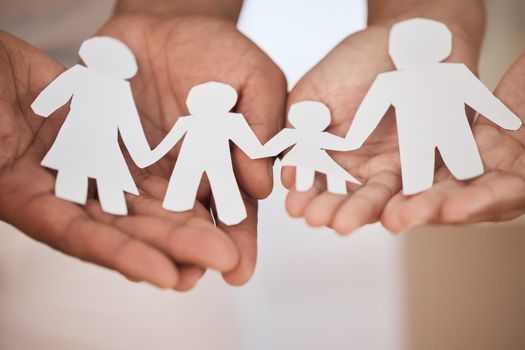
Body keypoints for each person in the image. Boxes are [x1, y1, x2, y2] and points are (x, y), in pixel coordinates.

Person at [344, 18, 521, 195]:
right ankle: (458, 176)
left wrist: (354, 140)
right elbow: (484, 101)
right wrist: (509, 121)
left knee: (422, 176)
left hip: (419, 134)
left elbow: (369, 113)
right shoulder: (453, 72)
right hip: (447, 130)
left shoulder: (390, 81)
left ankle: (430, 182)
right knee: (462, 168)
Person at [31, 37, 167, 215]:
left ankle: (82, 203)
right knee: (106, 183)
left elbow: (45, 103)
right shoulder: (116, 87)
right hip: (100, 142)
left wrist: (40, 108)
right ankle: (109, 208)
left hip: (78, 138)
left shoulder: (81, 75)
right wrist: (141, 152)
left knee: (75, 176)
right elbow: (130, 125)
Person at [259, 101, 360, 195]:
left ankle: (336, 191)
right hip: (304, 158)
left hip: (313, 159)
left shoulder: (295, 134)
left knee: (332, 176)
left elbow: (267, 150)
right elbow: (345, 145)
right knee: (310, 178)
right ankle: (334, 191)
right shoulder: (293, 134)